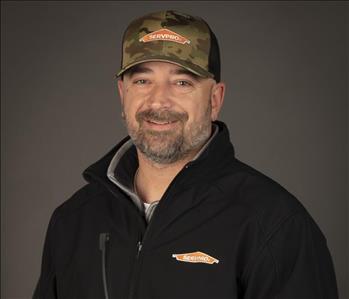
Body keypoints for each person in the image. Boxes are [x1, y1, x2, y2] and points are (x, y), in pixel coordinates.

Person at [33, 10, 338, 299]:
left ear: (215, 99)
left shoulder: (274, 226)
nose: (159, 101)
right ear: (122, 94)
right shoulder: (73, 221)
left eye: (182, 82)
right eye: (142, 80)